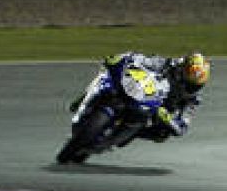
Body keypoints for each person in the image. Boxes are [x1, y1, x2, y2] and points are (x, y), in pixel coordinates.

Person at [74, 51, 210, 141]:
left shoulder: (192, 100)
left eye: (195, 83)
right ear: (183, 67)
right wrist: (124, 58)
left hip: (154, 111)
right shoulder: (167, 65)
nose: (190, 85)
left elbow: (182, 127)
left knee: (162, 135)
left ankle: (129, 134)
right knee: (110, 72)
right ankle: (86, 97)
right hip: (141, 89)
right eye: (188, 76)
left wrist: (168, 119)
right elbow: (140, 59)